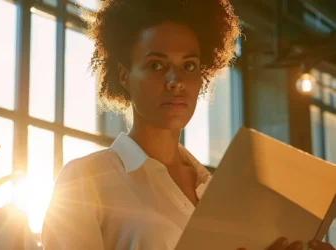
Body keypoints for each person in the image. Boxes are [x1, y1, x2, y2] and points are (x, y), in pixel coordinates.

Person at [41, 0, 335, 250]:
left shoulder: (216, 189)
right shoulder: (85, 180)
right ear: (125, 76)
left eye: (189, 66)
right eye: (156, 65)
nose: (176, 82)